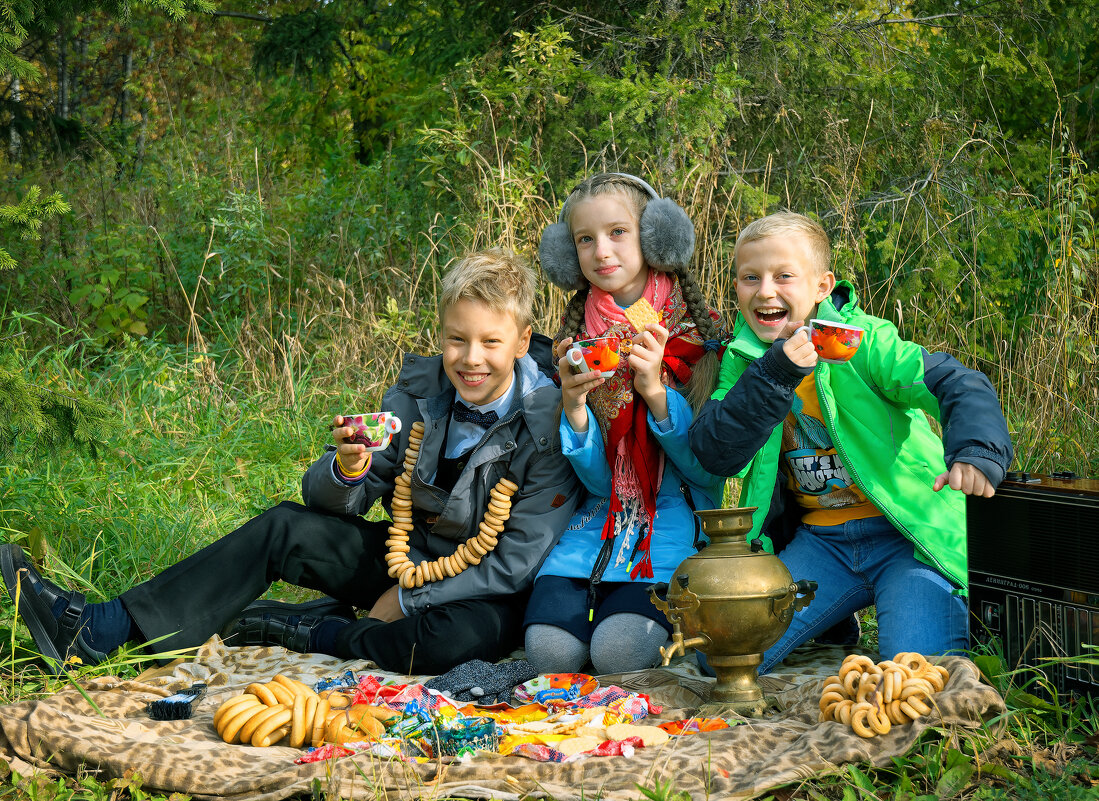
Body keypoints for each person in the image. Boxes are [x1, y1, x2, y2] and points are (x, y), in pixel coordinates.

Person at [2, 249, 579, 676]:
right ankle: (99, 630)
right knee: (284, 526)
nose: (469, 358)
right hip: (411, 554)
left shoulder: (549, 425)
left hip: (483, 591)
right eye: (456, 340)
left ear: (524, 341)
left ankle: (307, 629)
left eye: (490, 343)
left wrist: (405, 600)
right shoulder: (420, 392)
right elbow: (328, 501)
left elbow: (516, 566)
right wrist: (347, 469)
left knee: (450, 644)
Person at [688, 211, 1013, 674]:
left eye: (784, 276)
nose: (764, 291)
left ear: (822, 287)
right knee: (720, 659)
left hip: (904, 537)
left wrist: (977, 452)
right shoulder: (743, 359)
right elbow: (715, 450)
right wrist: (775, 373)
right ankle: (832, 621)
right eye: (749, 277)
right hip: (822, 543)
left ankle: (936, 604)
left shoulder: (864, 341)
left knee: (913, 676)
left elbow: (957, 382)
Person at [524, 172, 726, 675]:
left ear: (656, 238)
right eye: (585, 240)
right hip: (596, 524)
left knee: (620, 654)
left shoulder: (704, 339)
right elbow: (598, 483)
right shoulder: (579, 344)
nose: (601, 251)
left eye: (618, 232)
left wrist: (656, 394)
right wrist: (574, 409)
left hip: (675, 523)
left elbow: (707, 471)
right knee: (550, 654)